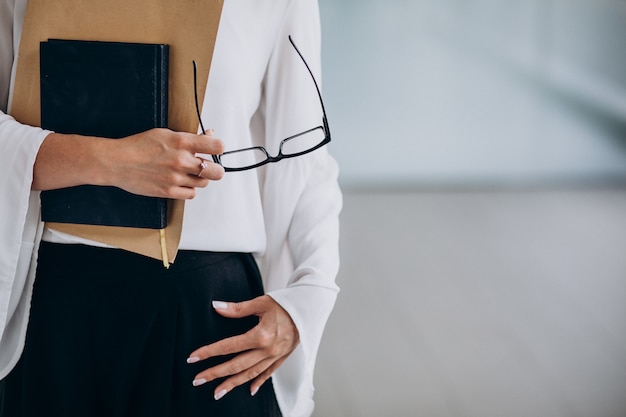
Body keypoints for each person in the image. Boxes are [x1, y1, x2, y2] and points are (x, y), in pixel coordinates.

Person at [0, 0, 342, 416]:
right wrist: (114, 161)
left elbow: (304, 157)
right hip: (48, 299)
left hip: (208, 308)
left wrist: (308, 297)